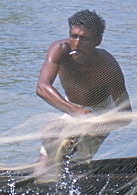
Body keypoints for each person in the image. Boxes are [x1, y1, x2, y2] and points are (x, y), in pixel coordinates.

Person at [34, 10, 131, 180]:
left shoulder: (108, 67)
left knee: (76, 165)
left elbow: (126, 115)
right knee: (49, 138)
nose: (77, 43)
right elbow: (42, 87)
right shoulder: (60, 50)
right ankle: (37, 193)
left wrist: (99, 125)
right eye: (73, 36)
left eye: (84, 38)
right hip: (73, 108)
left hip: (99, 113)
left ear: (97, 41)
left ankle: (78, 193)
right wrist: (75, 111)